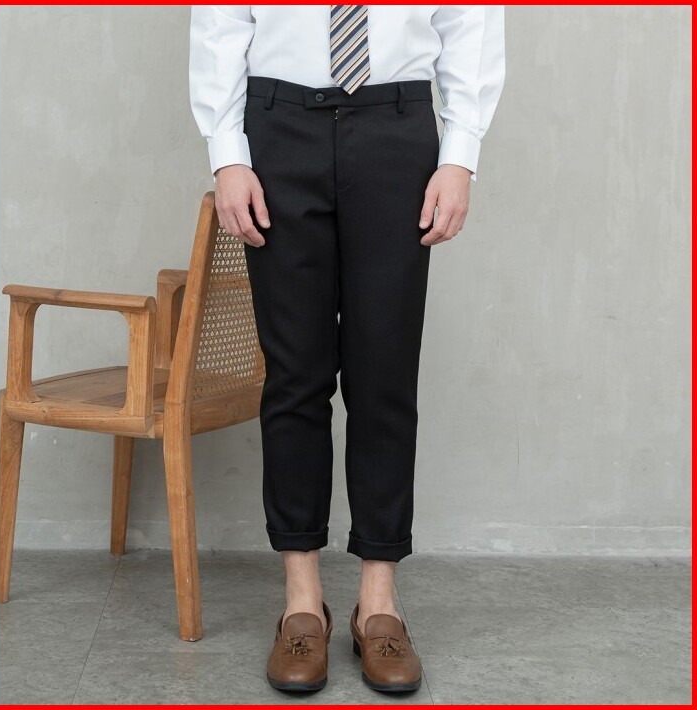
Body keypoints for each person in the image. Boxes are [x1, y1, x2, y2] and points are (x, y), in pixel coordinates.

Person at [189, 4, 505, 693]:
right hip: (278, 126)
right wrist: (227, 152)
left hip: (396, 125)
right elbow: (220, 20)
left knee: (383, 375)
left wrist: (460, 154)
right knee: (295, 376)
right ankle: (301, 605)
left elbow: (471, 20)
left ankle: (378, 605)